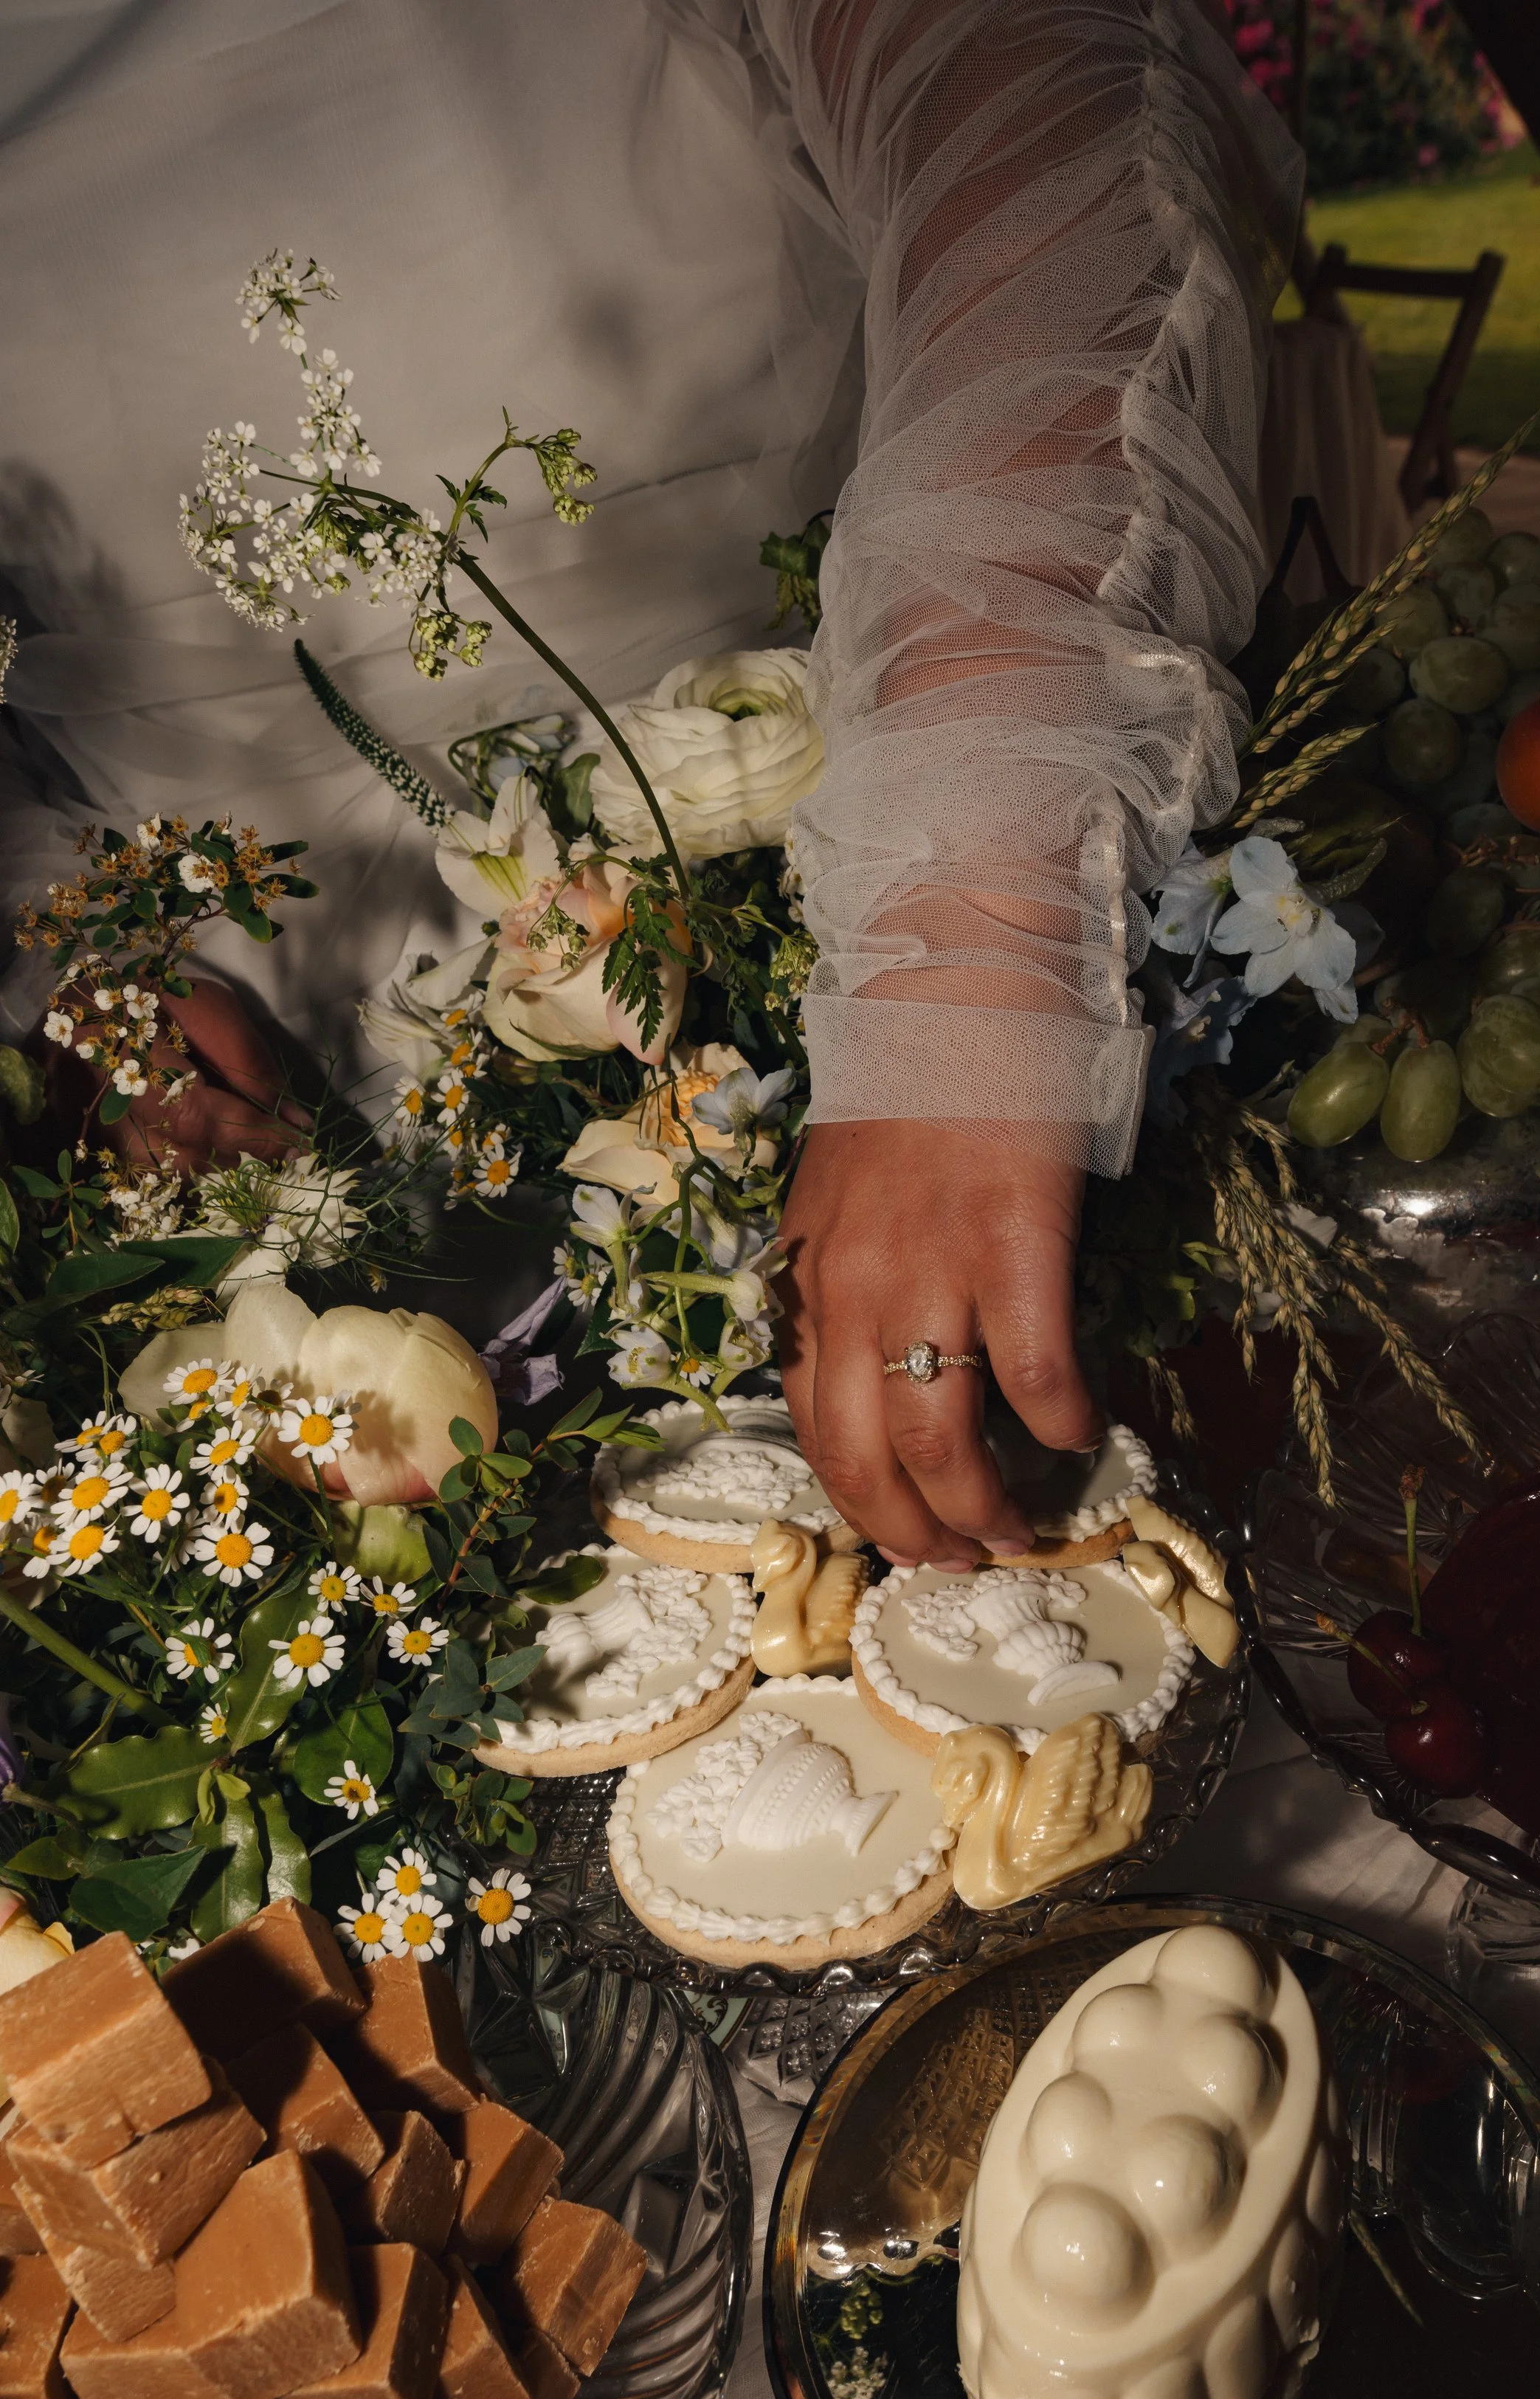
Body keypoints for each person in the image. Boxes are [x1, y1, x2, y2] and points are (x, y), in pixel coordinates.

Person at [0, 0, 1299, 1568]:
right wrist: (94, 954)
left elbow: (1014, 83)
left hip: (886, 899)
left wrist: (962, 948)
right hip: (273, 1004)